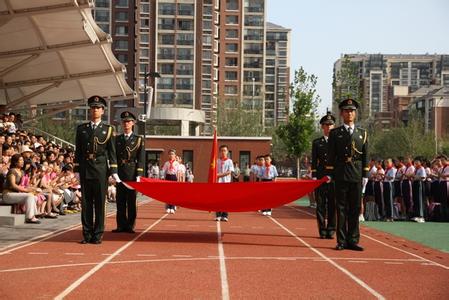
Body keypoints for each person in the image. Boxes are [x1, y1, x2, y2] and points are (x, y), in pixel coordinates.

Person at [74, 95, 118, 244]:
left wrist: (113, 172)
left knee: (99, 203)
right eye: (93, 108)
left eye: (98, 108)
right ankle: (86, 234)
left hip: (100, 169)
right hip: (86, 167)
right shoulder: (82, 129)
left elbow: (112, 153)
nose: (95, 110)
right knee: (86, 204)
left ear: (103, 111)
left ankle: (98, 234)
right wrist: (77, 170)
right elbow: (78, 151)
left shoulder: (109, 130)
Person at [326, 98, 368, 251]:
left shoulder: (362, 133)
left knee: (355, 208)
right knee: (341, 208)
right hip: (341, 174)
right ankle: (342, 241)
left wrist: (365, 174)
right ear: (342, 113)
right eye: (346, 110)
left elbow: (365, 155)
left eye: (352, 111)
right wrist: (330, 173)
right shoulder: (335, 133)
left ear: (355, 113)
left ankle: (353, 240)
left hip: (356, 174)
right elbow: (331, 155)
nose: (349, 113)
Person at [113, 111, 145, 233]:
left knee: (131, 202)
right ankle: (121, 225)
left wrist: (139, 175)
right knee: (120, 201)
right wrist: (114, 172)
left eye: (128, 121)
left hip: (132, 173)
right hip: (120, 173)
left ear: (133, 123)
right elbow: (114, 157)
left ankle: (130, 225)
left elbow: (141, 159)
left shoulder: (138, 140)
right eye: (124, 121)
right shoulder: (117, 139)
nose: (126, 124)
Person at [311, 112, 336, 239]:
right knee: (320, 205)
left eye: (331, 125)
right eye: (326, 125)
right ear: (322, 127)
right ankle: (322, 229)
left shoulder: (338, 142)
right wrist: (314, 176)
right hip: (321, 177)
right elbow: (314, 161)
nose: (329, 127)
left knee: (332, 204)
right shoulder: (317, 142)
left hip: (334, 178)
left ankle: (331, 229)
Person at [0, 154, 40, 223]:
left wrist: (32, 189)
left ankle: (33, 215)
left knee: (35, 197)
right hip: (8, 195)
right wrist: (27, 190)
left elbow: (22, 185)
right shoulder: (12, 171)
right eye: (20, 160)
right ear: (15, 162)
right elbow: (13, 185)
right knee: (30, 196)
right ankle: (30, 217)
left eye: (22, 160)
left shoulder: (21, 172)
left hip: (15, 194)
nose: (22, 162)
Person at [215, 145, 234, 222]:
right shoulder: (217, 161)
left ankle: (225, 215)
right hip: (218, 183)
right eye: (222, 150)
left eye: (225, 150)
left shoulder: (229, 161)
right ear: (219, 152)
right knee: (218, 199)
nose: (223, 152)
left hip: (226, 182)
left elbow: (229, 171)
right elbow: (214, 170)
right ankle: (218, 215)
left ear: (227, 152)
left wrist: (219, 175)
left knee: (226, 199)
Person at [162, 149, 179, 214]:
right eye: (170, 154)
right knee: (168, 193)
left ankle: (173, 207)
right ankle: (168, 207)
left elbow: (178, 172)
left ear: (175, 155)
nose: (171, 155)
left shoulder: (177, 163)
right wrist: (162, 177)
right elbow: (164, 170)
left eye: (172, 154)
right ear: (168, 155)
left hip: (174, 177)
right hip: (168, 177)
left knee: (173, 193)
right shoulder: (167, 163)